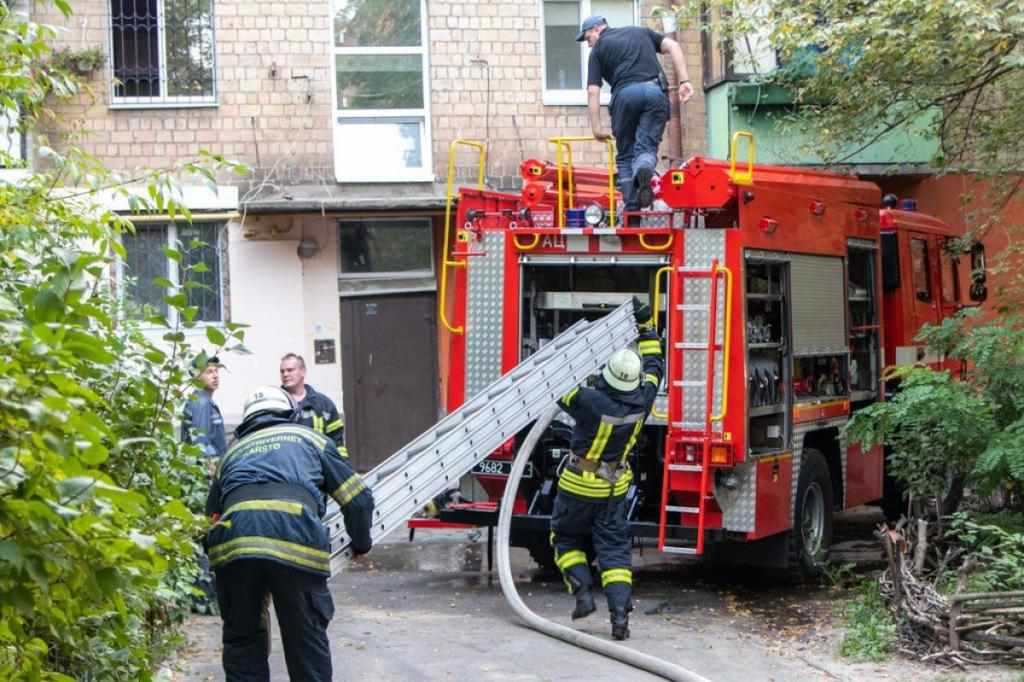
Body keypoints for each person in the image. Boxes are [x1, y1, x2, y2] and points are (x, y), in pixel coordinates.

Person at [205, 385, 374, 681]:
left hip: (233, 548)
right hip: (295, 542)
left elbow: (212, 517)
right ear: (290, 413)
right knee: (305, 644)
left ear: (247, 422)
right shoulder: (310, 439)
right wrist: (361, 542)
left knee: (243, 646)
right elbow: (358, 499)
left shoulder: (230, 454)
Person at [550, 300, 664, 641]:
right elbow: (656, 364)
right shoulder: (644, 398)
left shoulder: (588, 400)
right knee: (614, 552)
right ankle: (619, 618)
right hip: (615, 487)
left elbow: (556, 386)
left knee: (565, 538)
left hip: (577, 485)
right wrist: (646, 328)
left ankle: (582, 592)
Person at [578, 15, 694, 212]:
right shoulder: (641, 32)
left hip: (624, 97)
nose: (588, 45)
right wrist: (684, 81)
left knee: (625, 156)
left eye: (587, 38)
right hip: (654, 92)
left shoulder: (597, 51)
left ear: (597, 29)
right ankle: (644, 166)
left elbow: (593, 91)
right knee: (646, 148)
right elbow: (673, 46)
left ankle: (632, 207)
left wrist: (597, 128)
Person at [279, 353, 346, 451]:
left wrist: (341, 464)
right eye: (282, 371)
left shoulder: (324, 404)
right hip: (286, 464)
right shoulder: (275, 403)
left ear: (303, 372)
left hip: (316, 464)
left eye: (290, 370)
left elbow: (337, 442)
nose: (285, 374)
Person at [182, 353, 228, 468]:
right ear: (196, 377)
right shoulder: (201, 403)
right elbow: (200, 447)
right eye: (209, 372)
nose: (215, 375)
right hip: (207, 473)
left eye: (216, 371)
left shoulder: (204, 400)